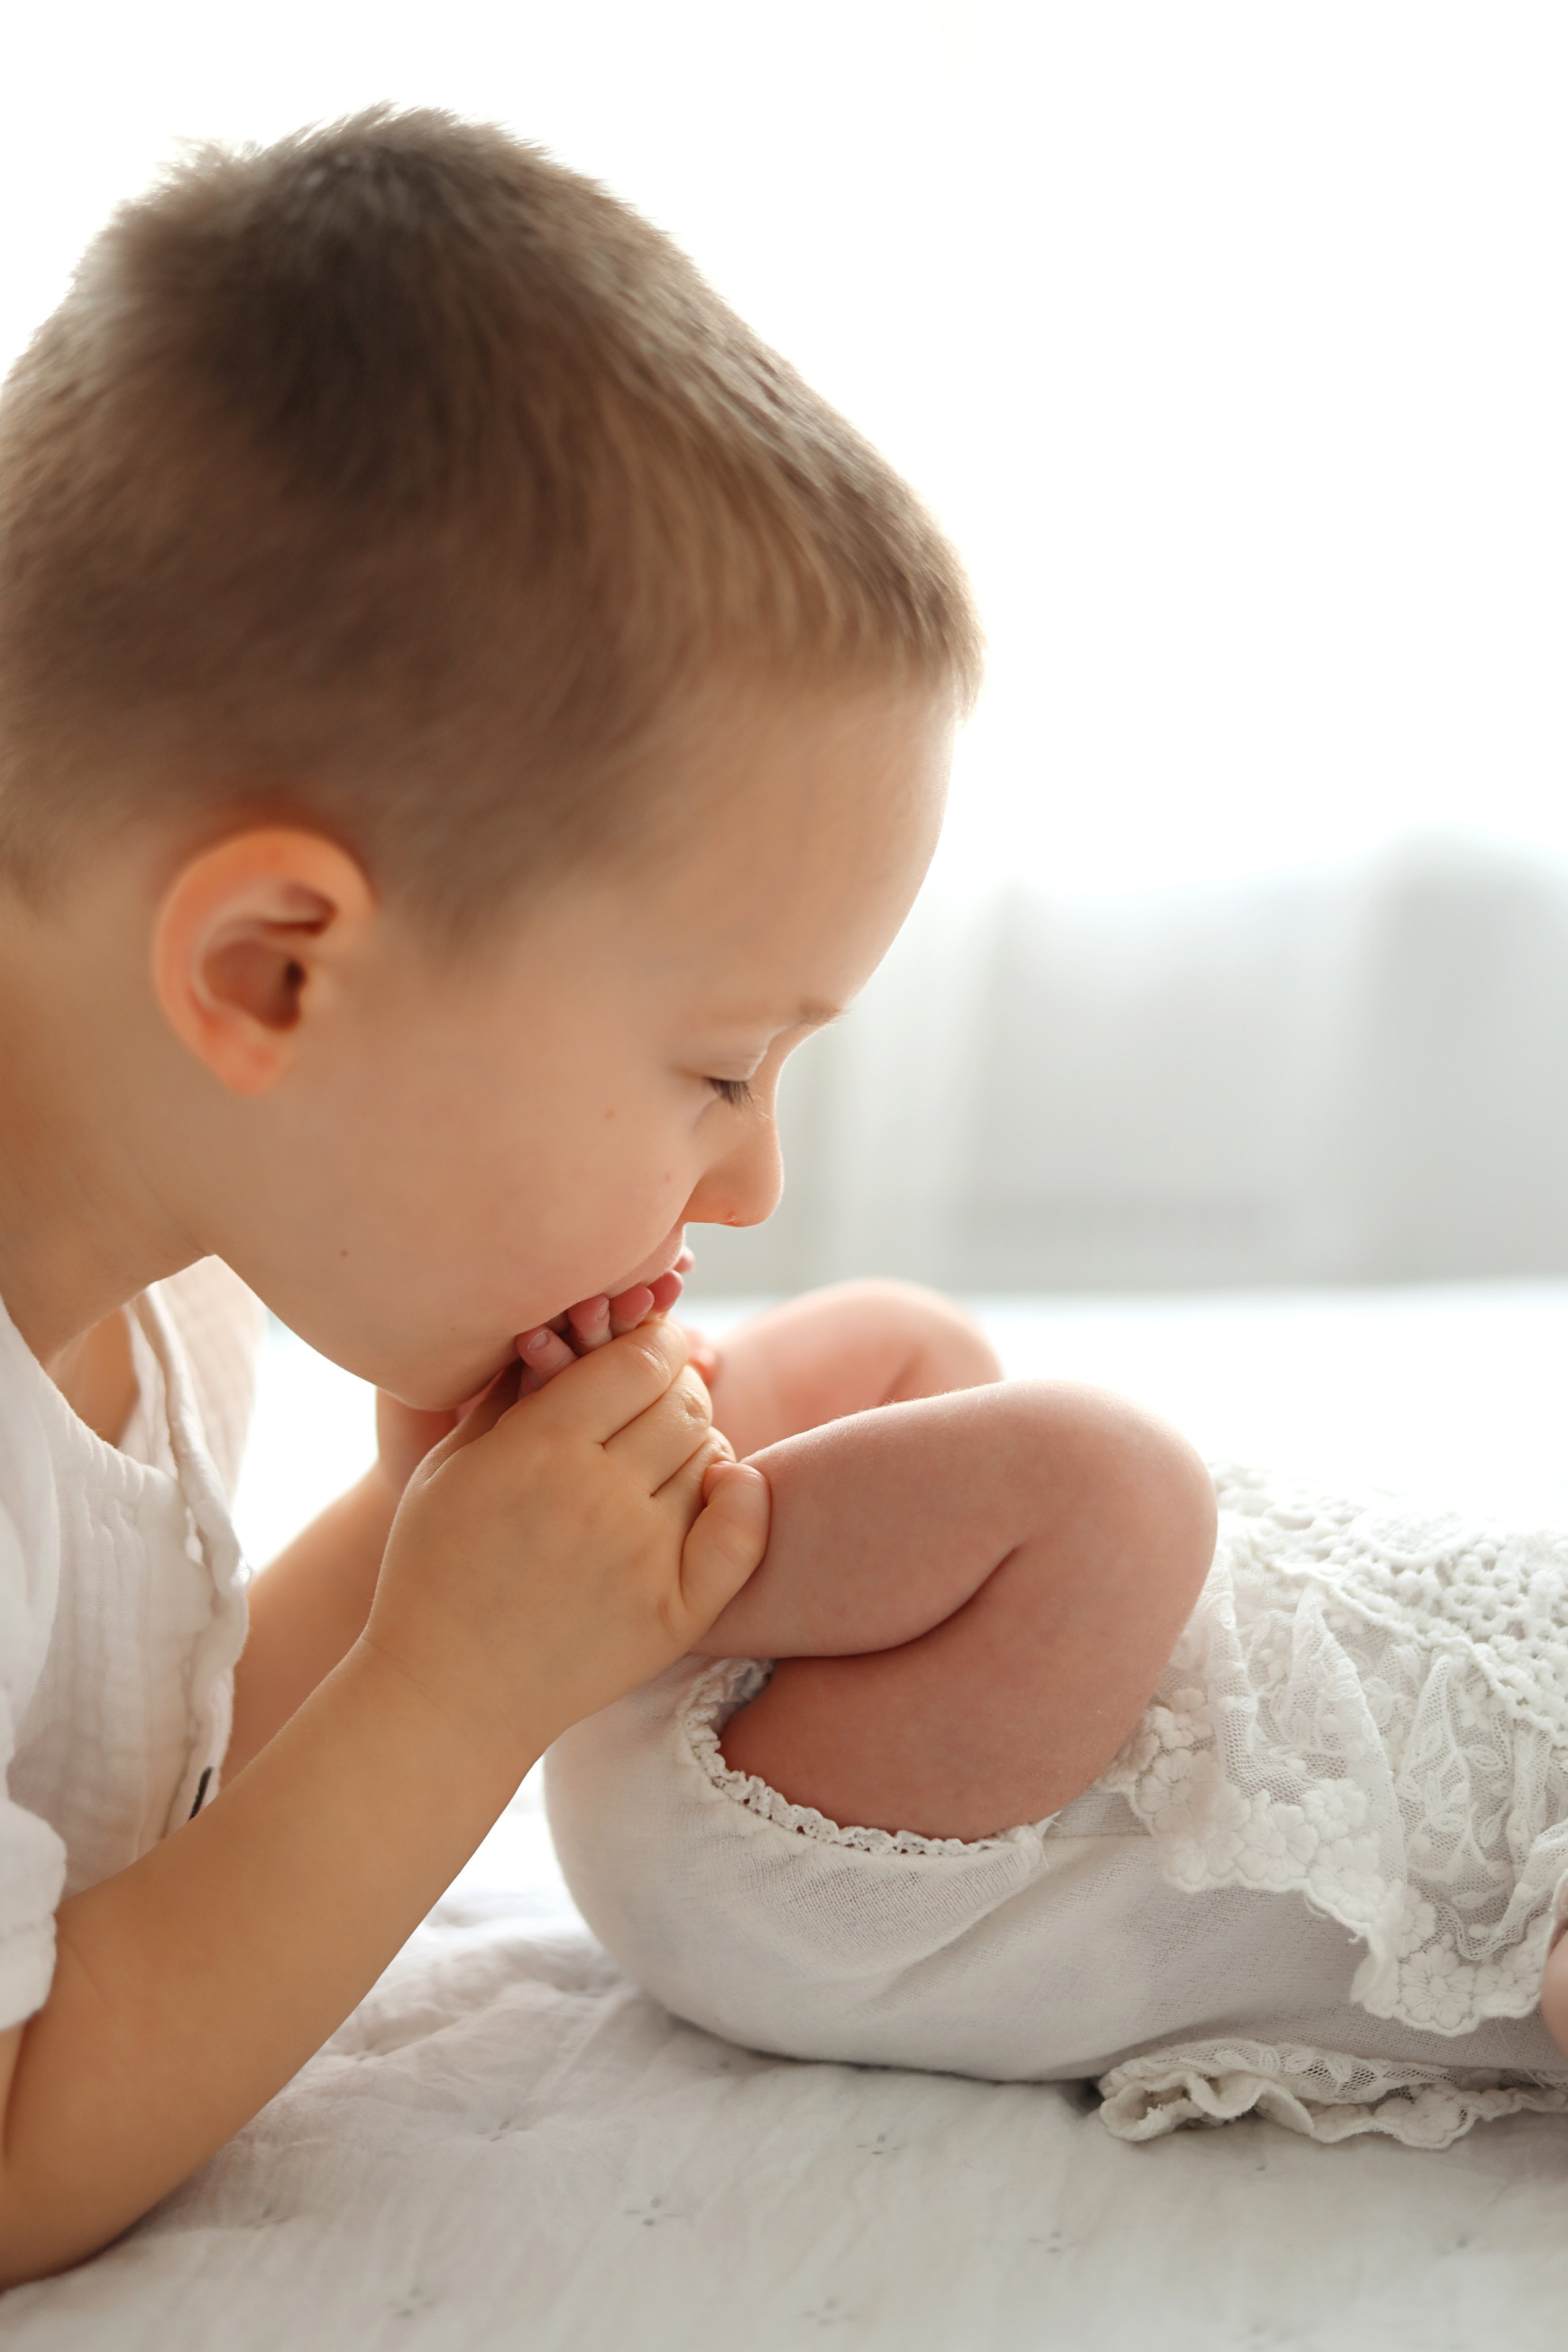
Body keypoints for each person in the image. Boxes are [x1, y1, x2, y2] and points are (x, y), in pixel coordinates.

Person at [0, 106, 1213, 2278]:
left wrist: (431, 1550)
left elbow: (111, 1804)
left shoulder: (152, 1253)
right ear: (275, 972)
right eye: (719, 1070)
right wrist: (451, 1693)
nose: (750, 1178)